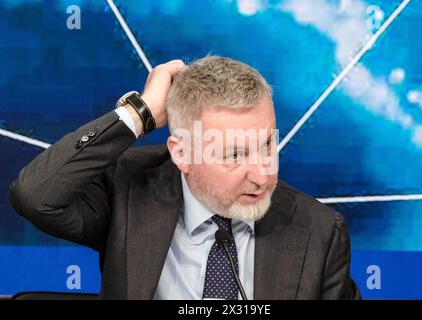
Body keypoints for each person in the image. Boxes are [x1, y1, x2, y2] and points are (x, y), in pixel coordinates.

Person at [9, 55, 361, 300]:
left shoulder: (320, 231)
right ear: (182, 154)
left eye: (268, 145)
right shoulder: (129, 190)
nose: (262, 173)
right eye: (234, 154)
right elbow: (35, 195)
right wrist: (140, 113)